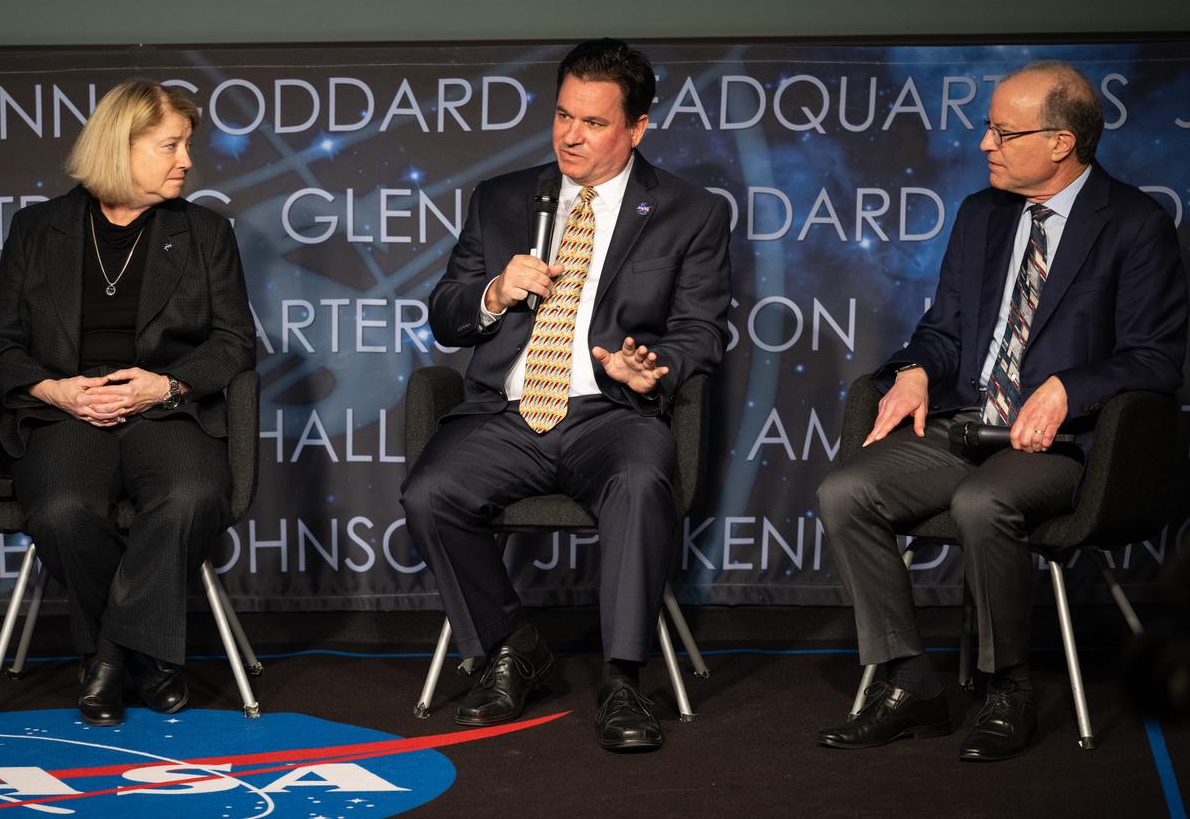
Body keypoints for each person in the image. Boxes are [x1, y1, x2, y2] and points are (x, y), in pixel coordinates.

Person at [815, 61, 1188, 761]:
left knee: (984, 503)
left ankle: (1007, 689)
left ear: (1060, 142)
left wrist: (1069, 387)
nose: (985, 143)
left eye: (1003, 132)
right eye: (988, 127)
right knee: (845, 491)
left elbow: (1156, 358)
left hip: (1065, 444)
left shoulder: (1135, 224)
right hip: (967, 423)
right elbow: (943, 330)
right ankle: (910, 685)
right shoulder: (980, 215)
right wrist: (917, 369)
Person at [401, 38, 731, 752]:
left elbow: (702, 330)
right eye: (562, 116)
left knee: (640, 482)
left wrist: (652, 366)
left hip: (612, 413)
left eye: (594, 122)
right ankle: (512, 646)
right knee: (429, 493)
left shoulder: (690, 211)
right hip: (507, 413)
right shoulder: (502, 199)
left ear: (637, 127)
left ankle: (622, 679)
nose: (570, 136)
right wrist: (494, 292)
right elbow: (446, 314)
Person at [0, 80, 256, 726]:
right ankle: (151, 658)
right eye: (170, 146)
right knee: (61, 509)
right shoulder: (37, 229)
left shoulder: (205, 232)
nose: (187, 160)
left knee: (190, 496)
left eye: (186, 145)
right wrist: (52, 389)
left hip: (166, 406)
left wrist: (168, 384)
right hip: (65, 409)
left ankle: (107, 658)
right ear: (119, 147)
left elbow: (235, 341)